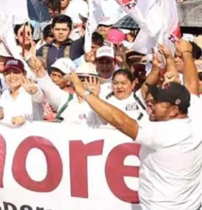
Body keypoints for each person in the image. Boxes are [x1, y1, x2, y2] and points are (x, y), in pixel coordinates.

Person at [72, 76, 202, 209]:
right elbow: (191, 83)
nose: (150, 102)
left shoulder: (163, 132)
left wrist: (85, 94)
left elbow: (121, 122)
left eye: (157, 101)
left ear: (174, 110)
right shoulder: (197, 119)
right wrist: (185, 54)